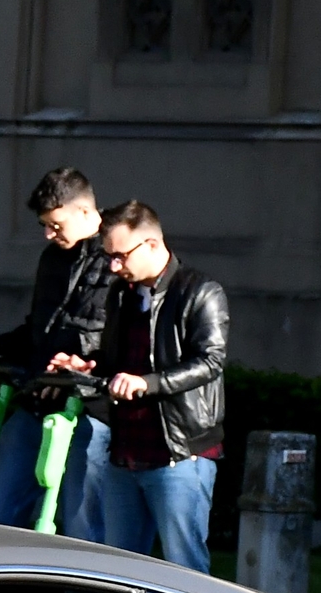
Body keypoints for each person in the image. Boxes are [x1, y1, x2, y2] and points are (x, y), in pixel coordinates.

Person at [46, 200, 227, 572]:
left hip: (179, 456)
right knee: (121, 570)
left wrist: (146, 383)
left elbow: (210, 362)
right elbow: (117, 361)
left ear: (152, 245)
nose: (114, 266)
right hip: (124, 454)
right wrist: (85, 365)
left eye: (120, 256)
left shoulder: (200, 291)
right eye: (109, 257)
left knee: (186, 568)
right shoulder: (121, 294)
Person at [0, 168, 116, 538]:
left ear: (83, 212)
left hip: (90, 407)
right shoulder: (53, 258)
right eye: (44, 225)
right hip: (37, 398)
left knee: (83, 527)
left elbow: (118, 338)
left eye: (55, 224)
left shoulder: (117, 253)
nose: (49, 234)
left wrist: (73, 366)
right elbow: (38, 329)